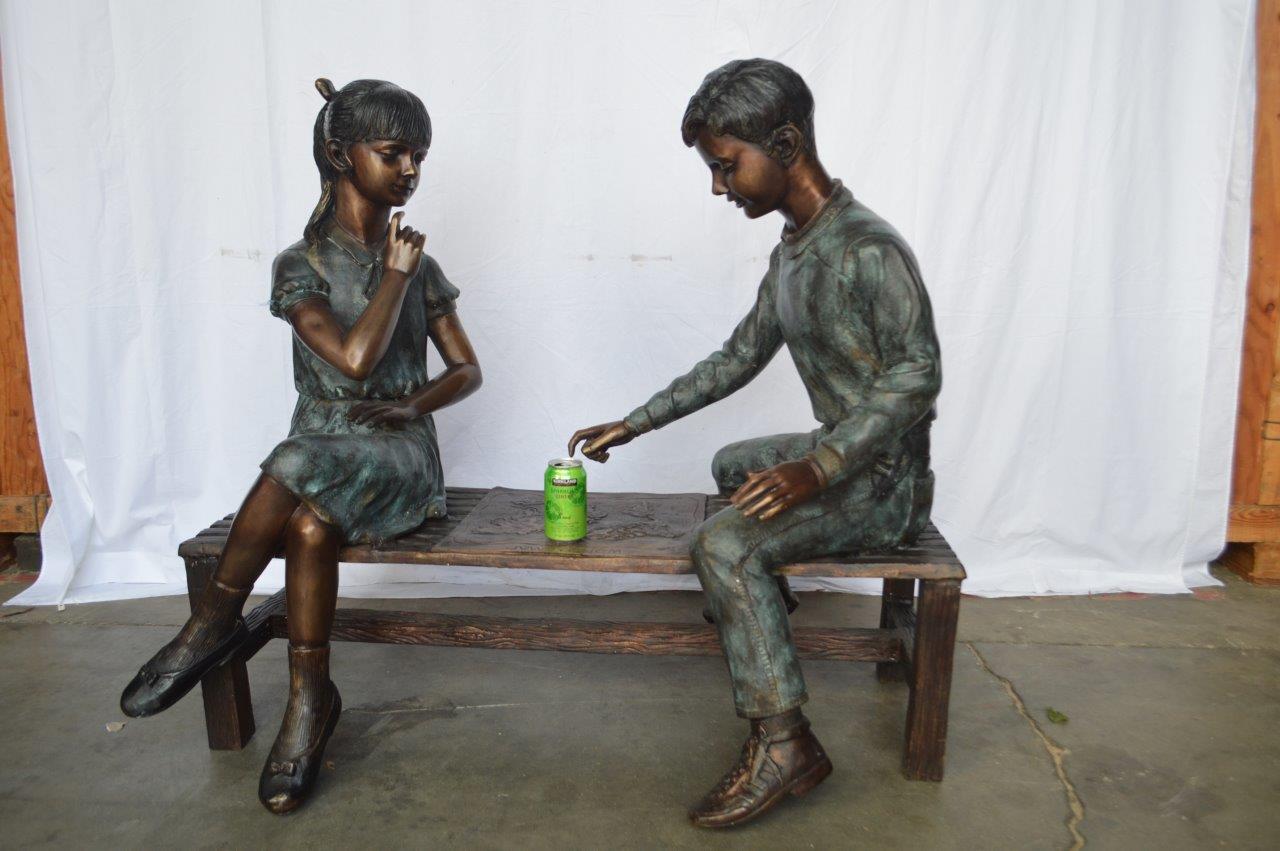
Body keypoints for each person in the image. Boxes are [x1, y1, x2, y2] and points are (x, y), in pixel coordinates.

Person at [569, 58, 941, 828]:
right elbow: (738, 357)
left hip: (884, 481)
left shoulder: (869, 248)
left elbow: (918, 375)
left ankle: (785, 742)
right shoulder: (793, 251)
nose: (719, 186)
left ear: (786, 144)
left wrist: (821, 465)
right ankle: (761, 610)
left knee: (722, 545)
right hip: (843, 454)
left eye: (726, 164)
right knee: (731, 465)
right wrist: (635, 421)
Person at [120, 78, 482, 815]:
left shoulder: (416, 265)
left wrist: (411, 400)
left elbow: (458, 369)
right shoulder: (300, 264)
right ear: (341, 154)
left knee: (291, 462)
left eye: (418, 155)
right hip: (324, 440)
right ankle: (311, 700)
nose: (410, 169)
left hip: (398, 452)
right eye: (393, 152)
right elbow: (349, 359)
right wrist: (393, 276)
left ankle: (208, 627)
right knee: (310, 525)